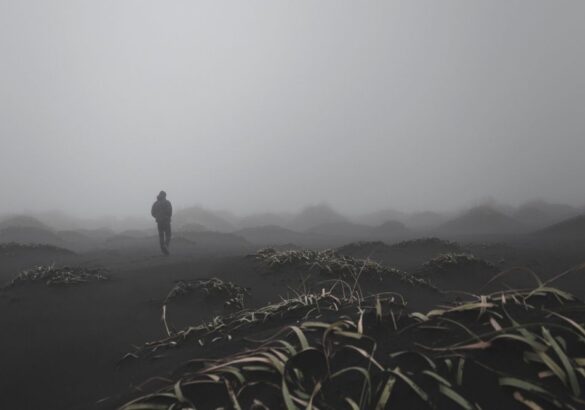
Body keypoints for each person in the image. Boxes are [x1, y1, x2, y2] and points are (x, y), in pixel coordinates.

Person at [151, 190, 172, 255]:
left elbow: (152, 212)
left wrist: (157, 217)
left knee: (161, 236)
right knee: (168, 235)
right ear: (164, 195)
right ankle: (165, 246)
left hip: (159, 222)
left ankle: (163, 250)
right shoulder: (167, 202)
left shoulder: (155, 203)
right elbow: (170, 212)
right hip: (166, 221)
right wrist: (167, 217)